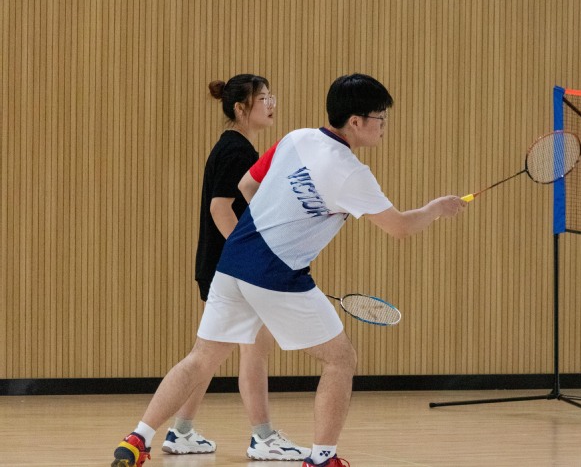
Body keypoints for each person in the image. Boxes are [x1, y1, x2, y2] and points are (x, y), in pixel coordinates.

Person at [111, 73, 467, 467]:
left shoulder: (296, 138)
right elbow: (399, 228)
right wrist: (436, 209)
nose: (384, 125)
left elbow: (247, 185)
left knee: (202, 358)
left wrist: (281, 224)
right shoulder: (351, 173)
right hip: (276, 272)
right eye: (380, 117)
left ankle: (137, 438)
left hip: (233, 261)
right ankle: (323, 458)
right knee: (340, 359)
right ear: (355, 122)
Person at [159, 74, 309, 462]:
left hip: (221, 267)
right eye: (263, 99)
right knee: (250, 350)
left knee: (210, 355)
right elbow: (220, 208)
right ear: (241, 108)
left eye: (272, 96)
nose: (271, 104)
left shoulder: (235, 147)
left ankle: (181, 430)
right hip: (234, 270)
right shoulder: (237, 152)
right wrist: (253, 259)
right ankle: (263, 437)